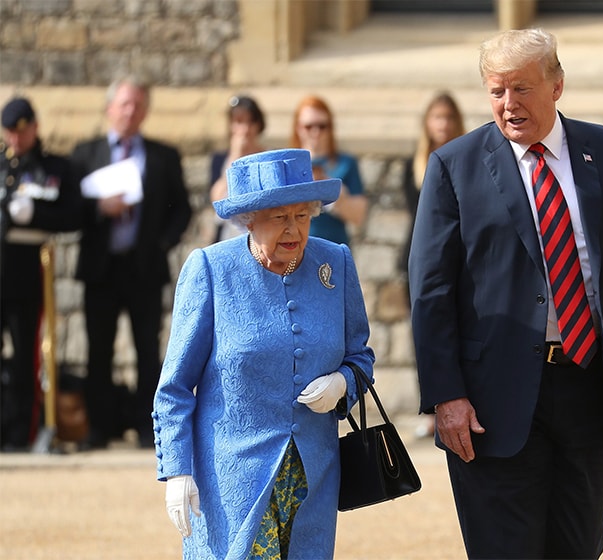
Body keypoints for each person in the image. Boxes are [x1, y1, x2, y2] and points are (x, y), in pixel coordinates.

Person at [408, 28, 603, 559]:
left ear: (556, 86)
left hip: (589, 388)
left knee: (579, 548)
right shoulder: (454, 166)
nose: (508, 105)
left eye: (521, 89)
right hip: (490, 402)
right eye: (496, 91)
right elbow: (431, 292)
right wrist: (445, 395)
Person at [152, 148, 375, 559]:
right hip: (231, 479)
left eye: (303, 215)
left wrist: (343, 382)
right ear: (249, 219)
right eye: (279, 217)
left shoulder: (336, 263)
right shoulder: (210, 270)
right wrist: (177, 470)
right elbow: (175, 388)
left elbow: (361, 359)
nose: (294, 230)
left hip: (312, 477)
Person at [70, 75, 193, 450]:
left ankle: (146, 426)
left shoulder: (162, 155)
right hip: (101, 267)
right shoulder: (85, 154)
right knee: (98, 349)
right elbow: (70, 210)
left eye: (137, 104)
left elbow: (182, 209)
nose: (130, 110)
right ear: (110, 108)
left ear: (145, 111)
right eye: (124, 103)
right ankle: (100, 427)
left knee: (147, 350)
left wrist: (161, 244)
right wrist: (99, 208)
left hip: (144, 267)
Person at [0, 97, 83, 452]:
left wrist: (35, 214)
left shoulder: (53, 167)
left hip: (26, 269)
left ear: (34, 127)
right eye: (10, 133)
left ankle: (22, 431)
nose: (16, 140)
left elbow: (70, 215)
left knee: (25, 358)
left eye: (22, 132)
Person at [399, 92, 465, 438]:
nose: (443, 125)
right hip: (422, 258)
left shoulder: (468, 161)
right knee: (424, 333)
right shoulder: (414, 164)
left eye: (448, 118)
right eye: (437, 118)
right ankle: (430, 406)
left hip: (462, 258)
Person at [289, 95, 367, 246]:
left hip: (334, 245)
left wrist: (331, 193)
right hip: (294, 247)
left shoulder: (345, 163)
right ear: (298, 128)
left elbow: (359, 216)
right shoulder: (288, 164)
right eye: (309, 126)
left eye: (322, 126)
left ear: (330, 128)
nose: (316, 132)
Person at [208, 94, 267, 242]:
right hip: (229, 237)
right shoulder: (220, 159)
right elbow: (216, 201)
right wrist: (235, 156)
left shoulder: (268, 158)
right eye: (239, 122)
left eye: (251, 122)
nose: (245, 129)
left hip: (262, 235)